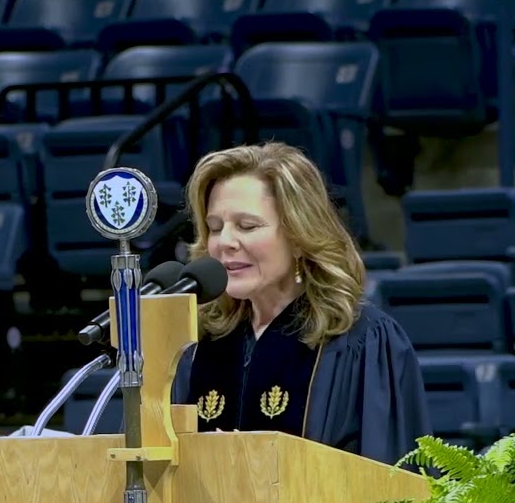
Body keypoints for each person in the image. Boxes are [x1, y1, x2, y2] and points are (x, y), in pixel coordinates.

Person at [175, 142, 431, 466]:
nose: (224, 242)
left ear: (298, 236)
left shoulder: (362, 343)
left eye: (247, 226)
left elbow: (393, 487)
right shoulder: (199, 347)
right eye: (214, 227)